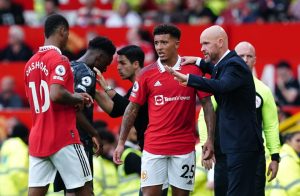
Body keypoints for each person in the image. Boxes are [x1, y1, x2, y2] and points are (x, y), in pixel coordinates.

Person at [113, 24, 215, 196]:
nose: (159, 47)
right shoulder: (147, 74)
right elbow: (131, 109)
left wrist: (210, 139)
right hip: (154, 147)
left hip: (184, 148)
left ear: (177, 44)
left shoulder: (193, 70)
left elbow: (207, 105)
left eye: (164, 42)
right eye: (156, 43)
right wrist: (121, 143)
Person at [165, 25, 264, 196]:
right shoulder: (226, 64)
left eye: (205, 43)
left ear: (220, 42)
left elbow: (222, 85)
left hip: (242, 145)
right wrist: (197, 62)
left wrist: (189, 79)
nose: (202, 48)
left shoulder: (235, 65)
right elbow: (215, 70)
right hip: (232, 144)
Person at [197, 41, 281, 196]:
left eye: (249, 56)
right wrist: (206, 145)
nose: (245, 59)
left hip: (254, 155)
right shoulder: (220, 85)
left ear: (255, 60)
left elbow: (271, 125)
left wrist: (275, 156)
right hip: (224, 154)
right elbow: (205, 116)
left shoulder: (263, 90)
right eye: (241, 56)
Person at [24, 14, 95, 196]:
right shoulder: (59, 60)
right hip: (63, 136)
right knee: (85, 188)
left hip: (38, 137)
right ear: (62, 31)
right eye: (68, 33)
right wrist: (77, 98)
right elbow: (55, 94)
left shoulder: (30, 63)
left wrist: (71, 98)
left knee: (35, 192)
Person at [53, 36, 116, 195]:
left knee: (71, 189)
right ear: (99, 57)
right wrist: (94, 133)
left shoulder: (68, 66)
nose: (105, 69)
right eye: (106, 64)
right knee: (86, 188)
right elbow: (75, 108)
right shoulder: (87, 74)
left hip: (60, 138)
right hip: (78, 139)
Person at [94, 45, 148, 150]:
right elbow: (116, 111)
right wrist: (93, 91)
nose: (118, 67)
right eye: (118, 63)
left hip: (155, 146)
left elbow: (128, 108)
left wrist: (106, 87)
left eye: (123, 63)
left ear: (136, 64)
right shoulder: (133, 89)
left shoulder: (145, 84)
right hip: (147, 145)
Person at [0, 122, 29, 196]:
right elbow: (17, 172)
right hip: (14, 191)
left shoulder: (5, 146)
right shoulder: (19, 147)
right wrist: (27, 192)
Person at [268, 130, 300, 196]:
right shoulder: (286, 159)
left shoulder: (287, 157)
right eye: (298, 140)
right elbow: (295, 189)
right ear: (288, 142)